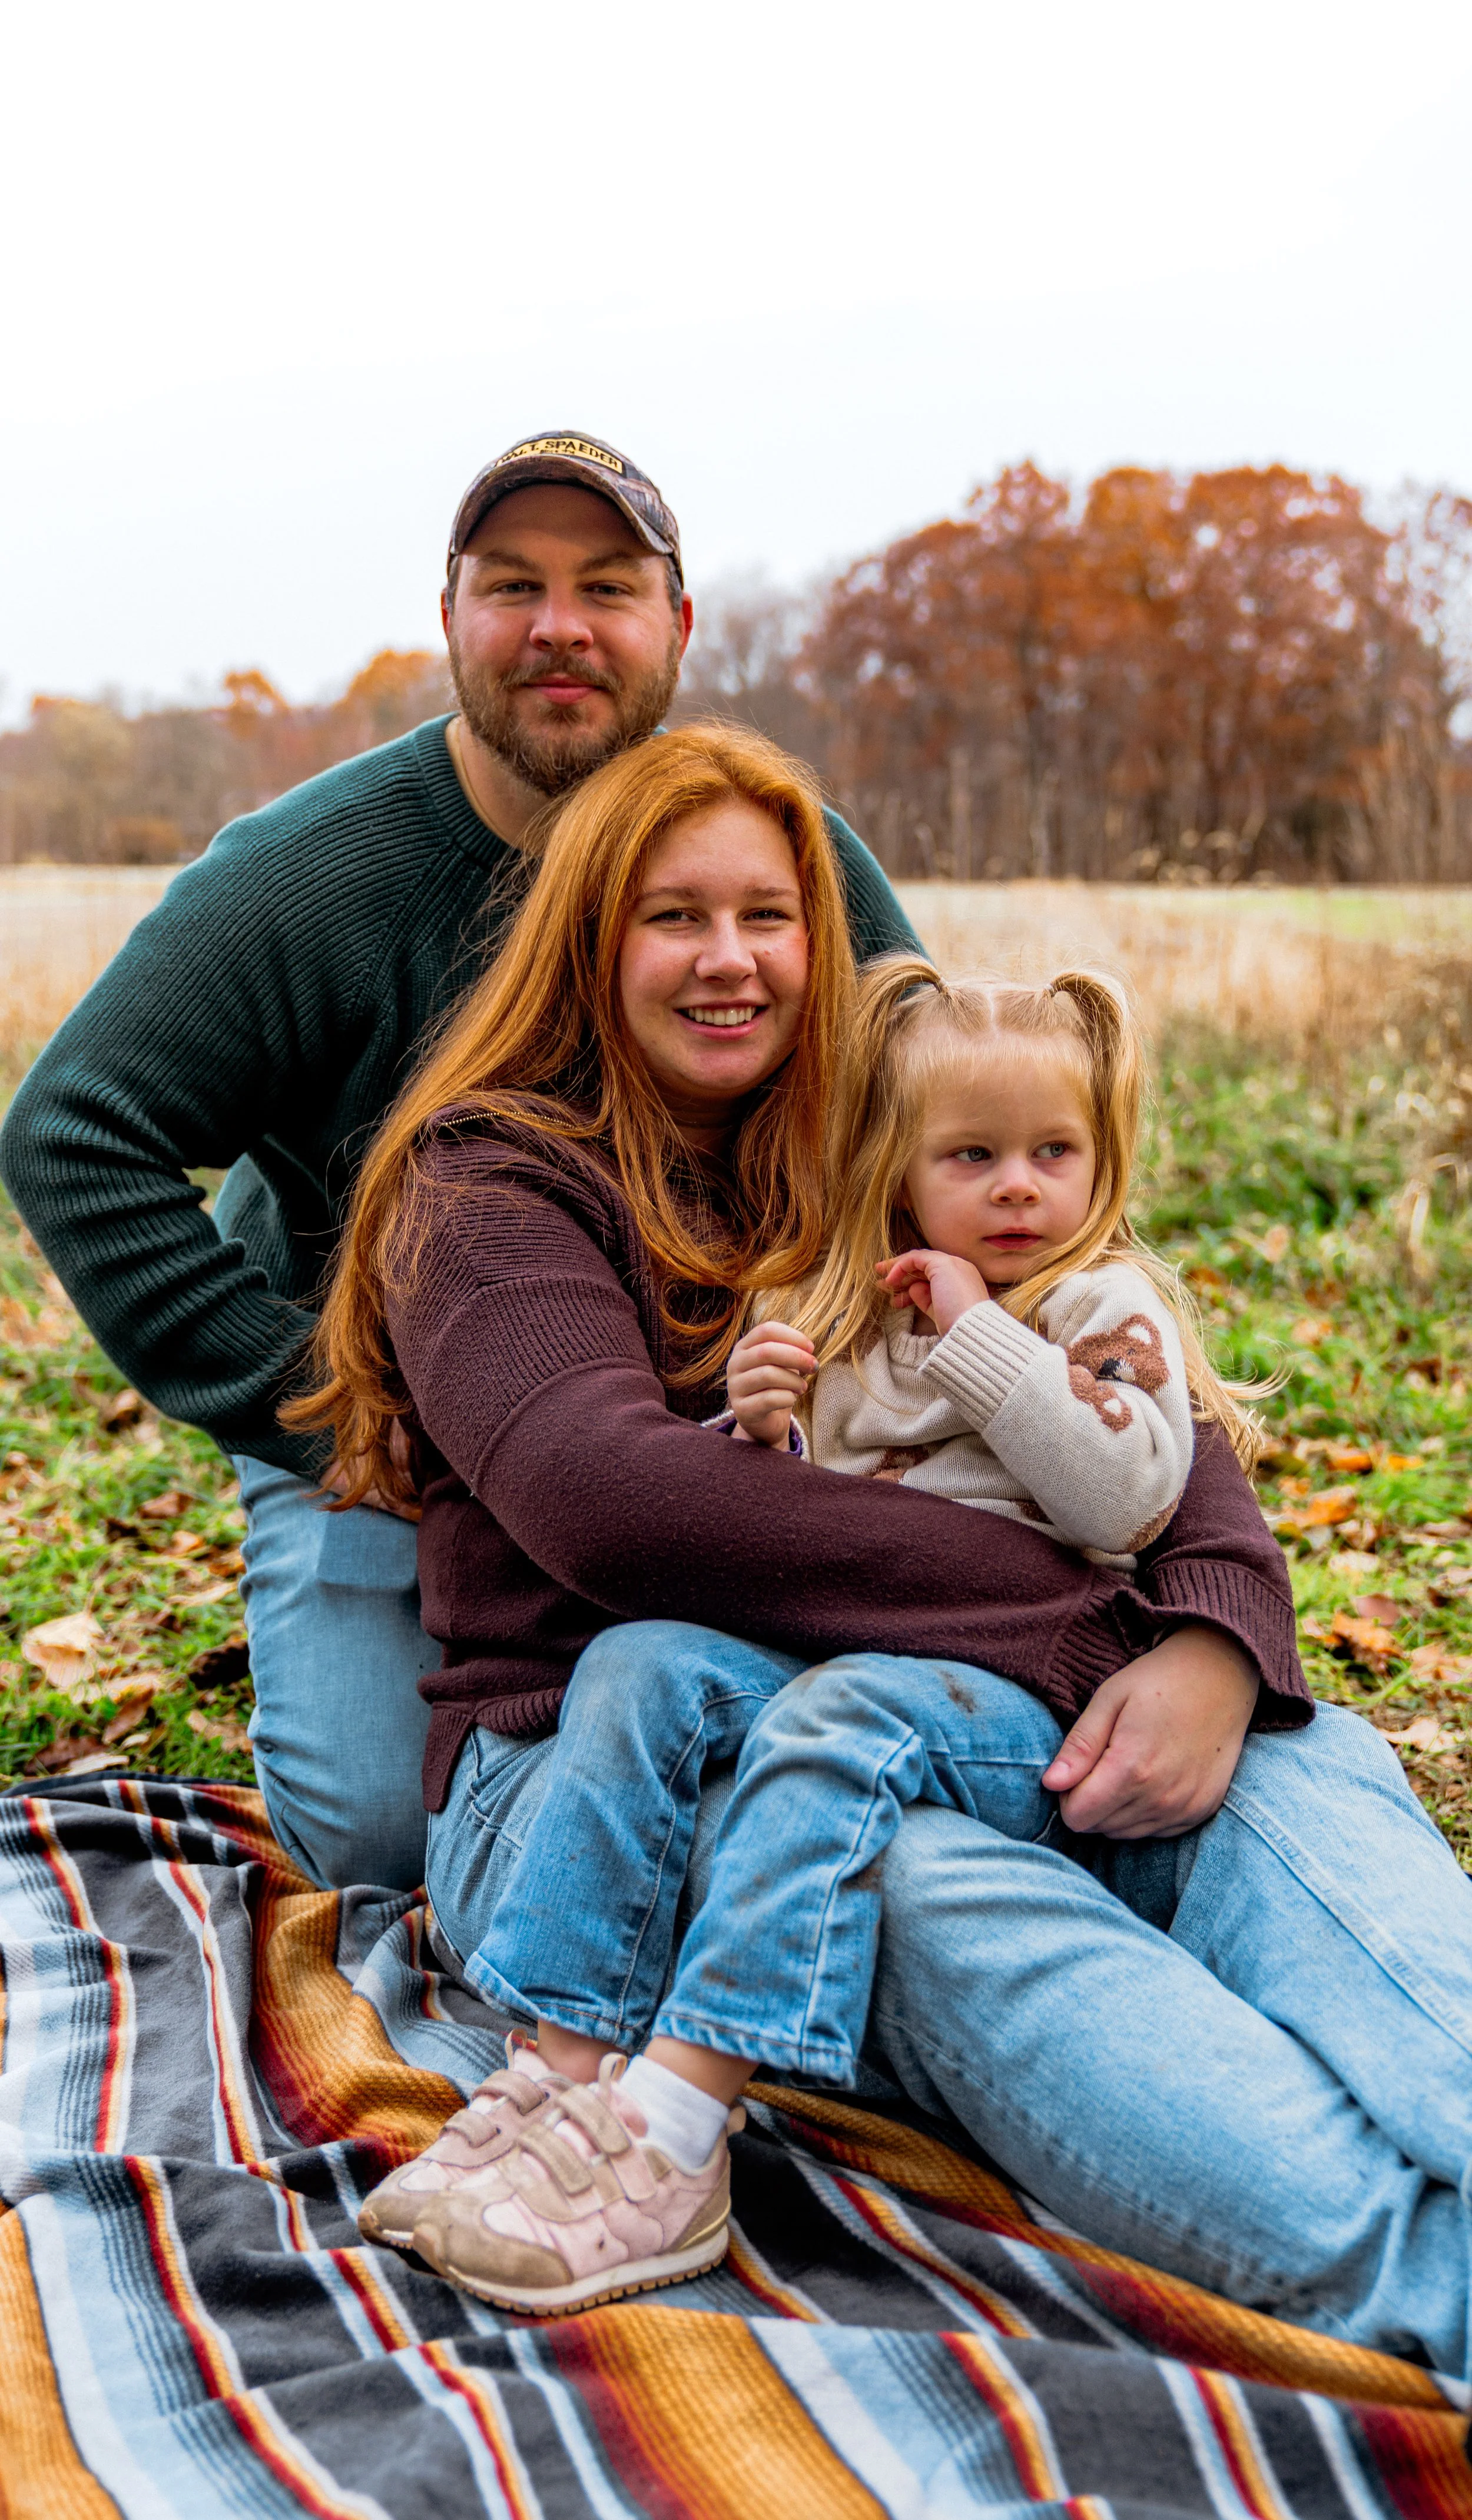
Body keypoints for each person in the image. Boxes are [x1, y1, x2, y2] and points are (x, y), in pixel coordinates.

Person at [293, 723, 1472, 2367]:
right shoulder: (485, 1185)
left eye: (767, 914)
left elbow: (1129, 1379)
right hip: (608, 1764)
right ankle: (1436, 2293)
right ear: (584, 936)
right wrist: (1085, 1633)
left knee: (1290, 1768)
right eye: (671, 915)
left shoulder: (889, 1137)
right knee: (902, 1884)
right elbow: (615, 1502)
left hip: (956, 1697)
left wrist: (1208, 1631)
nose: (728, 959)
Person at [0, 431, 919, 1891]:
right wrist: (320, 1400)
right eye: (513, 586)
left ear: (675, 628)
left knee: (855, 1755)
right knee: (382, 1837)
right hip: (393, 1431)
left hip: (703, 1405)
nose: (560, 626)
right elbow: (73, 1132)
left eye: (606, 586)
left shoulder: (771, 865)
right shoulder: (305, 878)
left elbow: (927, 1111)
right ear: (448, 621)